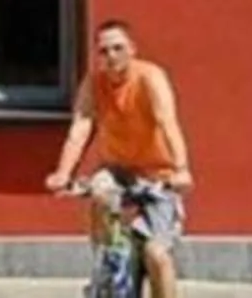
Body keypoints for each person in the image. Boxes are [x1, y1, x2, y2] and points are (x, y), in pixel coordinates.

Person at [46, 19, 193, 298]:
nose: (111, 56)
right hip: (117, 170)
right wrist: (63, 172)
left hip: (157, 175)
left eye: (118, 48)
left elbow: (167, 121)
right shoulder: (94, 82)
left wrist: (181, 169)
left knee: (157, 255)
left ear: (132, 49)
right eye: (104, 51)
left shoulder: (149, 78)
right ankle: (107, 258)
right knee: (100, 191)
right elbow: (81, 126)